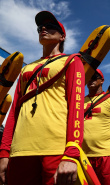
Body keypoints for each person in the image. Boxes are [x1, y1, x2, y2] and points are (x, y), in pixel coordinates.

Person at [0, 11, 85, 185]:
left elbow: (77, 106)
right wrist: (4, 152)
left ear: (62, 37)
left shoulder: (72, 61)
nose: (43, 28)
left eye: (50, 26)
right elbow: (15, 111)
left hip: (55, 148)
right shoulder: (26, 68)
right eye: (40, 27)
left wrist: (72, 152)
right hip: (19, 149)